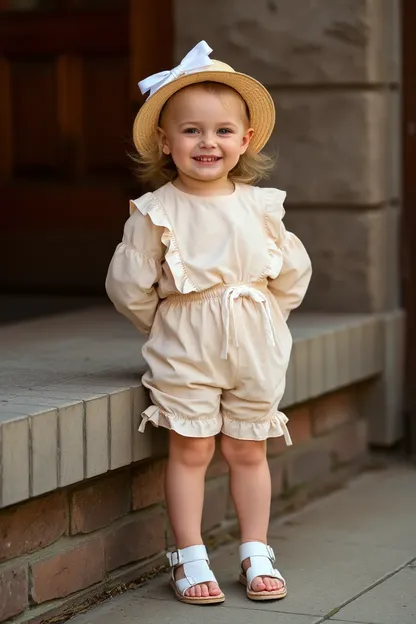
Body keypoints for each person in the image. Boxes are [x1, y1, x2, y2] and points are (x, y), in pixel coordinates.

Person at [106, 41, 312, 606]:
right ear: (165, 142)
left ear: (245, 140)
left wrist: (264, 316)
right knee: (192, 449)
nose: (207, 142)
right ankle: (189, 553)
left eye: (223, 131)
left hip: (255, 346)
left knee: (249, 449)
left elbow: (292, 273)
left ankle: (255, 548)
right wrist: (171, 324)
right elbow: (129, 287)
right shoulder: (157, 212)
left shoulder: (260, 207)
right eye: (191, 131)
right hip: (186, 347)